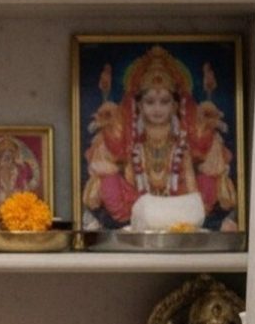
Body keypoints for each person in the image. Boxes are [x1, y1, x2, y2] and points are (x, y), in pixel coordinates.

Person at [82, 46, 237, 232]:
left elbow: (191, 186)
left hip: (178, 202)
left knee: (209, 181)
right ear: (139, 105)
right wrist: (147, 207)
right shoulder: (134, 141)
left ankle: (212, 223)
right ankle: (109, 225)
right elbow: (131, 184)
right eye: (150, 102)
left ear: (175, 106)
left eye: (164, 102)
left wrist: (186, 203)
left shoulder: (182, 141)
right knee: (108, 182)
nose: (157, 109)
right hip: (139, 206)